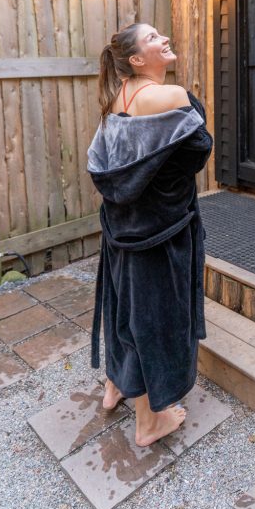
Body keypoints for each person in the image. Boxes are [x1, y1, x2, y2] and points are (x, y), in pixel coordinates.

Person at [87, 22, 213, 447]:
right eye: (154, 38)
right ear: (138, 59)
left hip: (121, 226)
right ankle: (149, 422)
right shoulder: (170, 96)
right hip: (159, 230)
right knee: (152, 319)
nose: (164, 39)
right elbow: (200, 146)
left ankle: (115, 386)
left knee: (121, 305)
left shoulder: (116, 100)